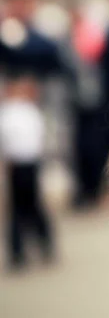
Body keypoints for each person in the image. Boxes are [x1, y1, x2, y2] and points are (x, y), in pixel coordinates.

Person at [0, 74, 53, 271]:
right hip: (24, 163)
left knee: (23, 209)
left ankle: (23, 250)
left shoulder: (17, 111)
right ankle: (30, 248)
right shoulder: (22, 111)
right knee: (28, 208)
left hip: (23, 163)